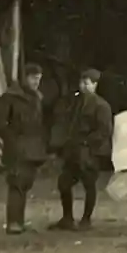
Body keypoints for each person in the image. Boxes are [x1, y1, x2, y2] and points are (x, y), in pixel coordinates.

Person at [49, 68, 114, 231]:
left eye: (86, 83)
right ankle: (67, 218)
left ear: (95, 85)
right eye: (81, 82)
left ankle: (86, 220)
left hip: (90, 152)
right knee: (64, 183)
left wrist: (87, 143)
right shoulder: (76, 103)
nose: (82, 86)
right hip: (73, 151)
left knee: (89, 185)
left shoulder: (101, 106)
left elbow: (104, 131)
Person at [0, 63, 47, 235]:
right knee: (16, 184)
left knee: (25, 184)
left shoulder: (37, 97)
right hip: (17, 148)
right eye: (32, 78)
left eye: (38, 79)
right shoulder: (9, 98)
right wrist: (11, 139)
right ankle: (13, 223)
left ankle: (19, 222)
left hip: (33, 148)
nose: (36, 82)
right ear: (24, 78)